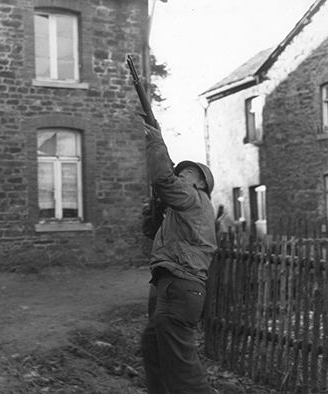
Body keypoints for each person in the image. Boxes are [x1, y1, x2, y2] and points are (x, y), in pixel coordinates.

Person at [140, 122, 217, 394]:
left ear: (200, 182)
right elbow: (154, 234)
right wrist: (153, 214)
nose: (180, 176)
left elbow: (163, 179)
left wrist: (156, 141)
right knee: (153, 347)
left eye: (185, 173)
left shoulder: (193, 197)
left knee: (182, 370)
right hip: (175, 286)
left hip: (181, 287)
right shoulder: (183, 210)